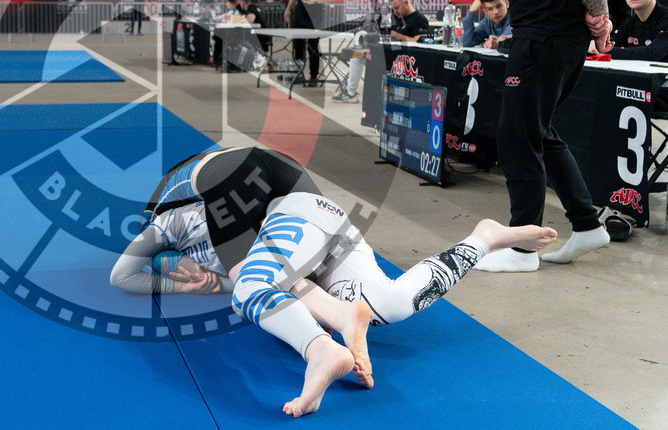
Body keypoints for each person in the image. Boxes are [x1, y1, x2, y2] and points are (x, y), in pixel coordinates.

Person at [111, 146, 558, 417]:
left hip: (282, 203)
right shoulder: (234, 242)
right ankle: (484, 238)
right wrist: (204, 283)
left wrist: (184, 286)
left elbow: (122, 275)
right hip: (320, 222)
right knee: (394, 303)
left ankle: (322, 351)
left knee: (249, 286)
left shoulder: (174, 220)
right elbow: (289, 280)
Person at [467, 0, 611, 272]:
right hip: (549, 38)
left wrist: (600, 16)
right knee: (539, 132)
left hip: (544, 40)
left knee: (515, 137)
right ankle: (588, 226)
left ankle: (522, 248)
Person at [333, 0, 431, 103]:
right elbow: (378, 30)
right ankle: (351, 94)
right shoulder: (392, 16)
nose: (394, 11)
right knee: (356, 57)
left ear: (406, 3)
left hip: (403, 58)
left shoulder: (419, 19)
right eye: (393, 8)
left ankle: (378, 96)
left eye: (397, 8)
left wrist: (399, 36)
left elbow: (421, 42)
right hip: (384, 52)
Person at [284, 0, 334, 86]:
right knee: (297, 46)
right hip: (298, 16)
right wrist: (288, 9)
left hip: (314, 17)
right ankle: (299, 75)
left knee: (312, 47)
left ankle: (313, 77)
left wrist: (316, 0)